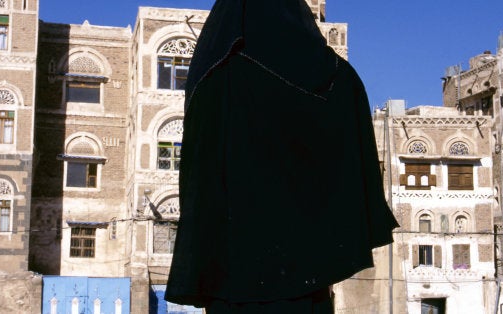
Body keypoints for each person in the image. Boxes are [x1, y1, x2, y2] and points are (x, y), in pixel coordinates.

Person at [165, 0, 399, 312]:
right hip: (295, 274)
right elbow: (343, 91)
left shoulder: (208, 66)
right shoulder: (308, 70)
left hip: (226, 277)